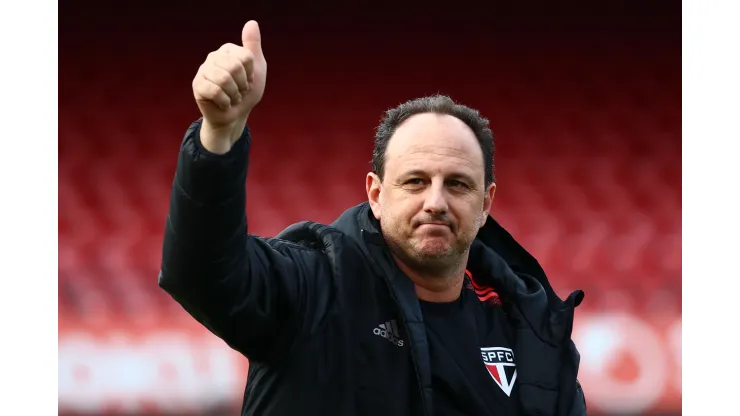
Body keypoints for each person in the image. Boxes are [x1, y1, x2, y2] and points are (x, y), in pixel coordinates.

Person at [159, 20, 588, 416]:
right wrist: (219, 136)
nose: (436, 201)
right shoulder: (314, 286)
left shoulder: (530, 328)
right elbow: (202, 276)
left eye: (457, 184)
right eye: (415, 181)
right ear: (376, 194)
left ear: (486, 204)